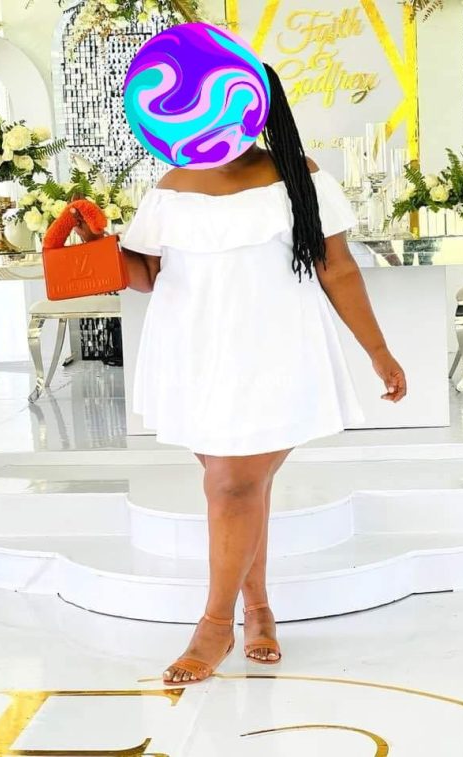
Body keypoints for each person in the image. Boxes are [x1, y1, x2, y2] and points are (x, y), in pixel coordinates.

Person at [71, 63, 407, 687]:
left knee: (231, 487)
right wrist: (101, 243)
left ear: (250, 106)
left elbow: (337, 268)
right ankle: (259, 610)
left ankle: (213, 626)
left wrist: (378, 350)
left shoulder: (298, 177)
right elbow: (146, 275)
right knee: (242, 490)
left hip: (273, 353)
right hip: (194, 354)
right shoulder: (170, 185)